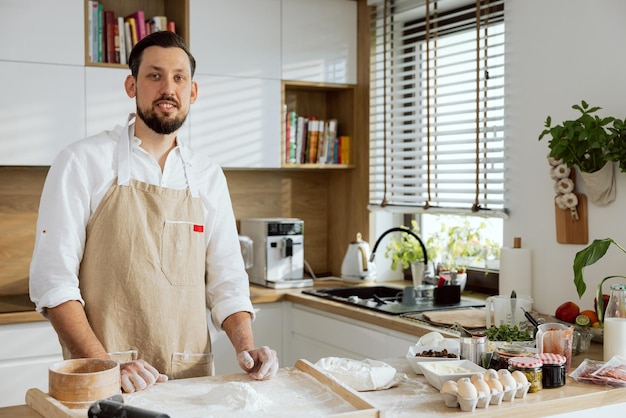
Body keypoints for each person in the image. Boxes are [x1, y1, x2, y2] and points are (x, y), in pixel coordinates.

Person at [29, 31, 278, 393]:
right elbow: (54, 285)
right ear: (132, 85)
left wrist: (246, 346)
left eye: (179, 78)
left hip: (190, 382)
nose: (168, 88)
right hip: (105, 383)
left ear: (192, 92)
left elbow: (228, 283)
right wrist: (107, 367)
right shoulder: (82, 161)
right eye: (154, 75)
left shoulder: (208, 176)